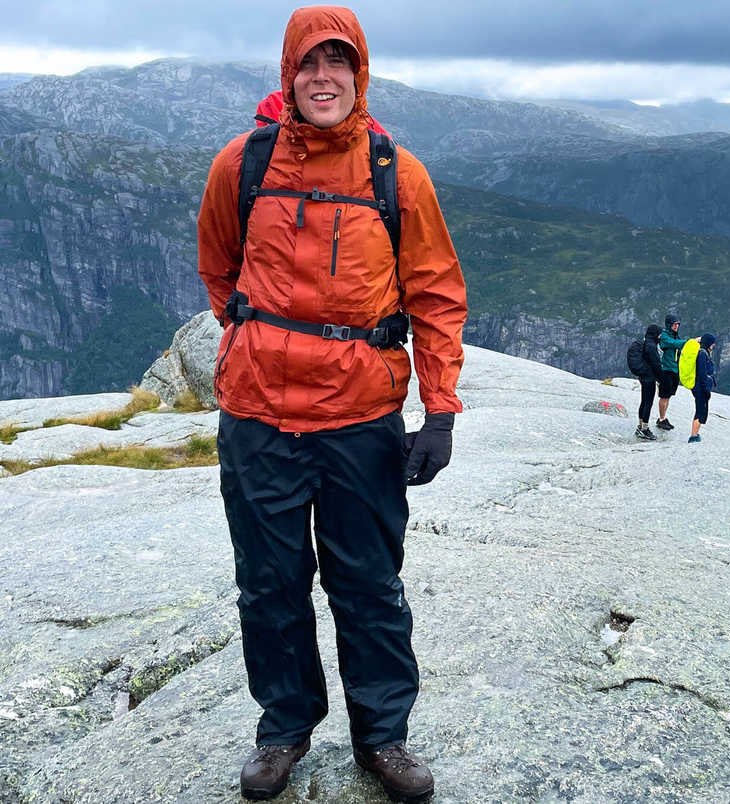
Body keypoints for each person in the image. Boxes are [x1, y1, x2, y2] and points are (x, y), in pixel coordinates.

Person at [196, 6, 466, 802]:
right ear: (289, 73)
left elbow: (436, 293)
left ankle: (382, 737)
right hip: (258, 418)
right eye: (309, 65)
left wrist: (440, 410)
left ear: (360, 75)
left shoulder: (396, 173)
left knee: (369, 583)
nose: (324, 78)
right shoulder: (241, 166)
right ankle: (284, 728)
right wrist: (264, 345)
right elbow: (219, 270)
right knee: (269, 583)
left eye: (338, 64)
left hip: (360, 422)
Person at [656, 313, 688, 431]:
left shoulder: (675, 336)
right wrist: (689, 342)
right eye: (674, 324)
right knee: (664, 396)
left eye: (678, 324)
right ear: (669, 324)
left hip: (674, 369)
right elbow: (673, 344)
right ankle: (661, 419)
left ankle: (663, 418)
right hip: (666, 370)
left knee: (668, 395)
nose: (676, 326)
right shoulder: (664, 336)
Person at [634, 324, 663, 440]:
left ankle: (640, 426)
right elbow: (656, 364)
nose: (660, 337)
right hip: (649, 378)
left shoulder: (646, 342)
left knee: (643, 401)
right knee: (648, 403)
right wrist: (661, 379)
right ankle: (644, 429)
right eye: (659, 334)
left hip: (643, 376)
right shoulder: (651, 346)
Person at [689, 333, 717, 443]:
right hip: (700, 387)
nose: (713, 345)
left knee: (701, 409)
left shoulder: (703, 353)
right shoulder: (702, 354)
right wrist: (706, 388)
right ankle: (693, 436)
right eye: (712, 343)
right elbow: (702, 373)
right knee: (700, 410)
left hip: (700, 387)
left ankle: (695, 433)